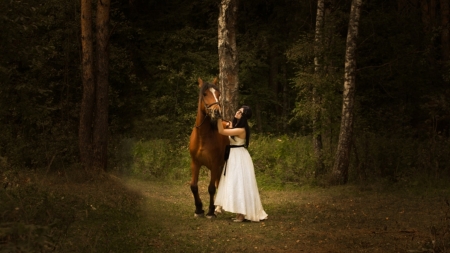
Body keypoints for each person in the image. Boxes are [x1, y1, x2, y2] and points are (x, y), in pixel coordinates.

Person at [214, 105, 268, 222]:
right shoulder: (238, 126)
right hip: (234, 155)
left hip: (238, 156)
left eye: (240, 112)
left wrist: (218, 118)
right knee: (235, 182)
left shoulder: (241, 129)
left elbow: (221, 131)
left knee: (240, 183)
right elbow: (229, 129)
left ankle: (242, 214)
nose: (237, 112)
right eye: (238, 110)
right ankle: (240, 211)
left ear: (243, 116)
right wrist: (228, 123)